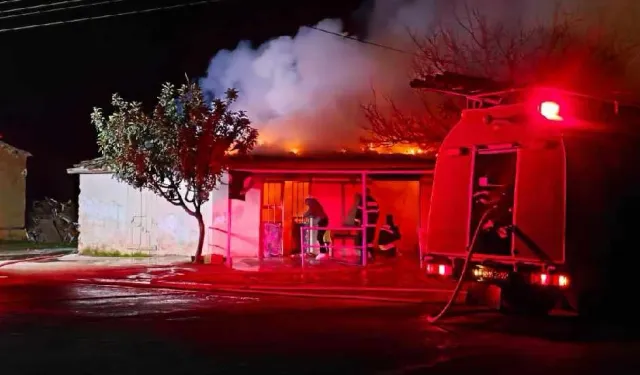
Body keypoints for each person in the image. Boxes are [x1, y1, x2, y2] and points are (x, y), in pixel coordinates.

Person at [353, 189, 380, 260]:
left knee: (363, 241)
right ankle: (372, 256)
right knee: (370, 241)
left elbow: (358, 213)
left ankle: (363, 259)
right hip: (372, 225)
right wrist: (373, 222)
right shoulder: (374, 201)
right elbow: (377, 213)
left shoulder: (363, 201)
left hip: (365, 225)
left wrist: (356, 223)